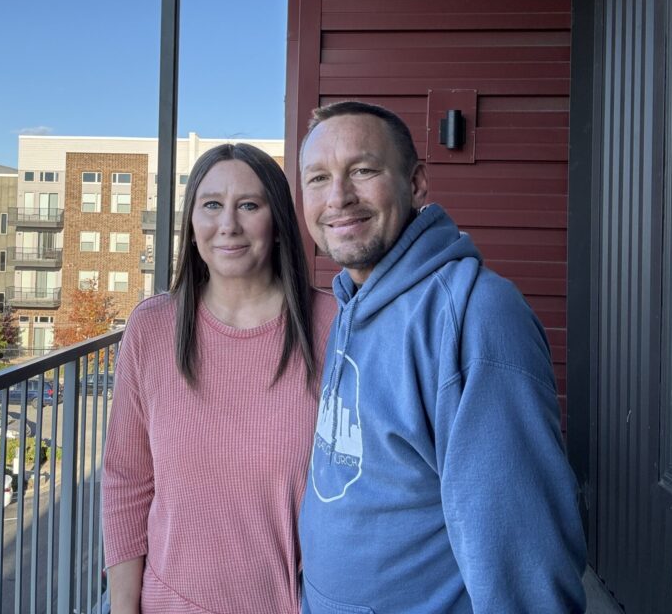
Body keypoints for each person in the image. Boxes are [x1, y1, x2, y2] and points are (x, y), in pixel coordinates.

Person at [298, 101, 586, 614]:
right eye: (318, 178)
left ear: (417, 184)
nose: (338, 197)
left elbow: (524, 558)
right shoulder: (350, 303)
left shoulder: (475, 316)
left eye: (363, 170)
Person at [100, 143, 335, 614]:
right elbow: (126, 479)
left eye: (249, 205)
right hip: (169, 602)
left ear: (278, 222)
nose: (228, 224)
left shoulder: (332, 323)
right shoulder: (152, 327)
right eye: (211, 205)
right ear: (191, 223)